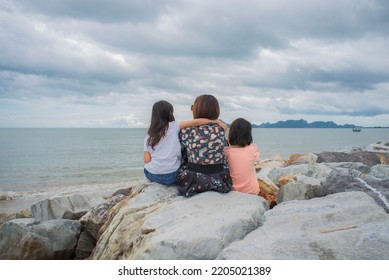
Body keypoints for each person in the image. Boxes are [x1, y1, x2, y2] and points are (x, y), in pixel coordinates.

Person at [143, 100, 224, 186]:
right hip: (173, 175)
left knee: (147, 168)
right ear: (170, 113)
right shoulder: (174, 126)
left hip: (153, 174)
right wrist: (216, 121)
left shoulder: (149, 135)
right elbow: (196, 122)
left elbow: (147, 160)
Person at [176, 94, 232, 197]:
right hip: (220, 178)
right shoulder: (220, 129)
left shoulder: (186, 131)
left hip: (193, 180)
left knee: (183, 148)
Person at [224, 118, 260, 195]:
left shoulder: (226, 151)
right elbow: (256, 159)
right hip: (252, 191)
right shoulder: (253, 149)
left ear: (231, 133)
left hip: (232, 191)